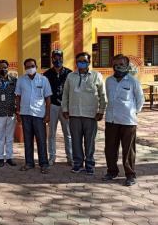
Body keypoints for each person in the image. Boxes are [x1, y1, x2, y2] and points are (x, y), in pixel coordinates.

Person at [62, 52, 107, 175]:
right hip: (74, 114)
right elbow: (65, 94)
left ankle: (89, 165)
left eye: (84, 61)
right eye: (79, 61)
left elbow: (103, 95)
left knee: (90, 141)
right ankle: (77, 164)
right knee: (75, 141)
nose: (82, 63)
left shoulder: (97, 76)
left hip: (91, 115)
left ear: (89, 62)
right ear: (76, 63)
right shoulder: (71, 76)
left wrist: (101, 111)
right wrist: (65, 109)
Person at [103, 54, 144, 186]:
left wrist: (132, 112)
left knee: (128, 150)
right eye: (116, 64)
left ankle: (130, 175)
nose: (118, 67)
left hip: (128, 122)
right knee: (110, 149)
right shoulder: (109, 81)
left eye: (121, 64)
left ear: (127, 65)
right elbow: (108, 97)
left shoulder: (133, 81)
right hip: (111, 120)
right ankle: (112, 171)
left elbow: (140, 101)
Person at [15, 58, 52, 174]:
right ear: (25, 68)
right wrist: (18, 112)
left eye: (32, 66)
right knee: (27, 140)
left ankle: (44, 164)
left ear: (36, 66)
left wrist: (47, 114)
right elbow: (18, 97)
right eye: (27, 67)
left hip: (39, 114)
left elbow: (48, 98)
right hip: (25, 114)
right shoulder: (21, 80)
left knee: (41, 140)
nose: (30, 68)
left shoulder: (43, 80)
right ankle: (29, 163)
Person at [43, 50, 73, 166]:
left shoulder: (69, 73)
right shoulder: (46, 74)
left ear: (63, 58)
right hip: (52, 106)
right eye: (55, 58)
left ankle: (70, 157)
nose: (57, 60)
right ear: (52, 59)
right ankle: (52, 157)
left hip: (65, 107)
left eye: (59, 58)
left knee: (68, 133)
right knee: (51, 134)